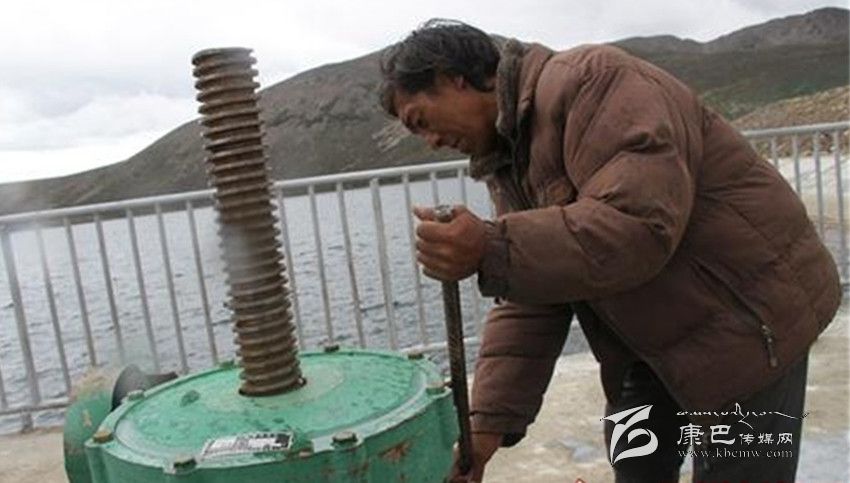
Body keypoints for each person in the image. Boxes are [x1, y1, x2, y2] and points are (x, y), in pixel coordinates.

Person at [379, 19, 841, 483]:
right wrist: (484, 432)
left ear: (453, 77)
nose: (431, 142)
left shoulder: (593, 81)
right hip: (645, 344)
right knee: (635, 466)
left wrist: (489, 246)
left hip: (745, 326)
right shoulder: (510, 157)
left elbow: (637, 227)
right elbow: (535, 291)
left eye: (421, 121)